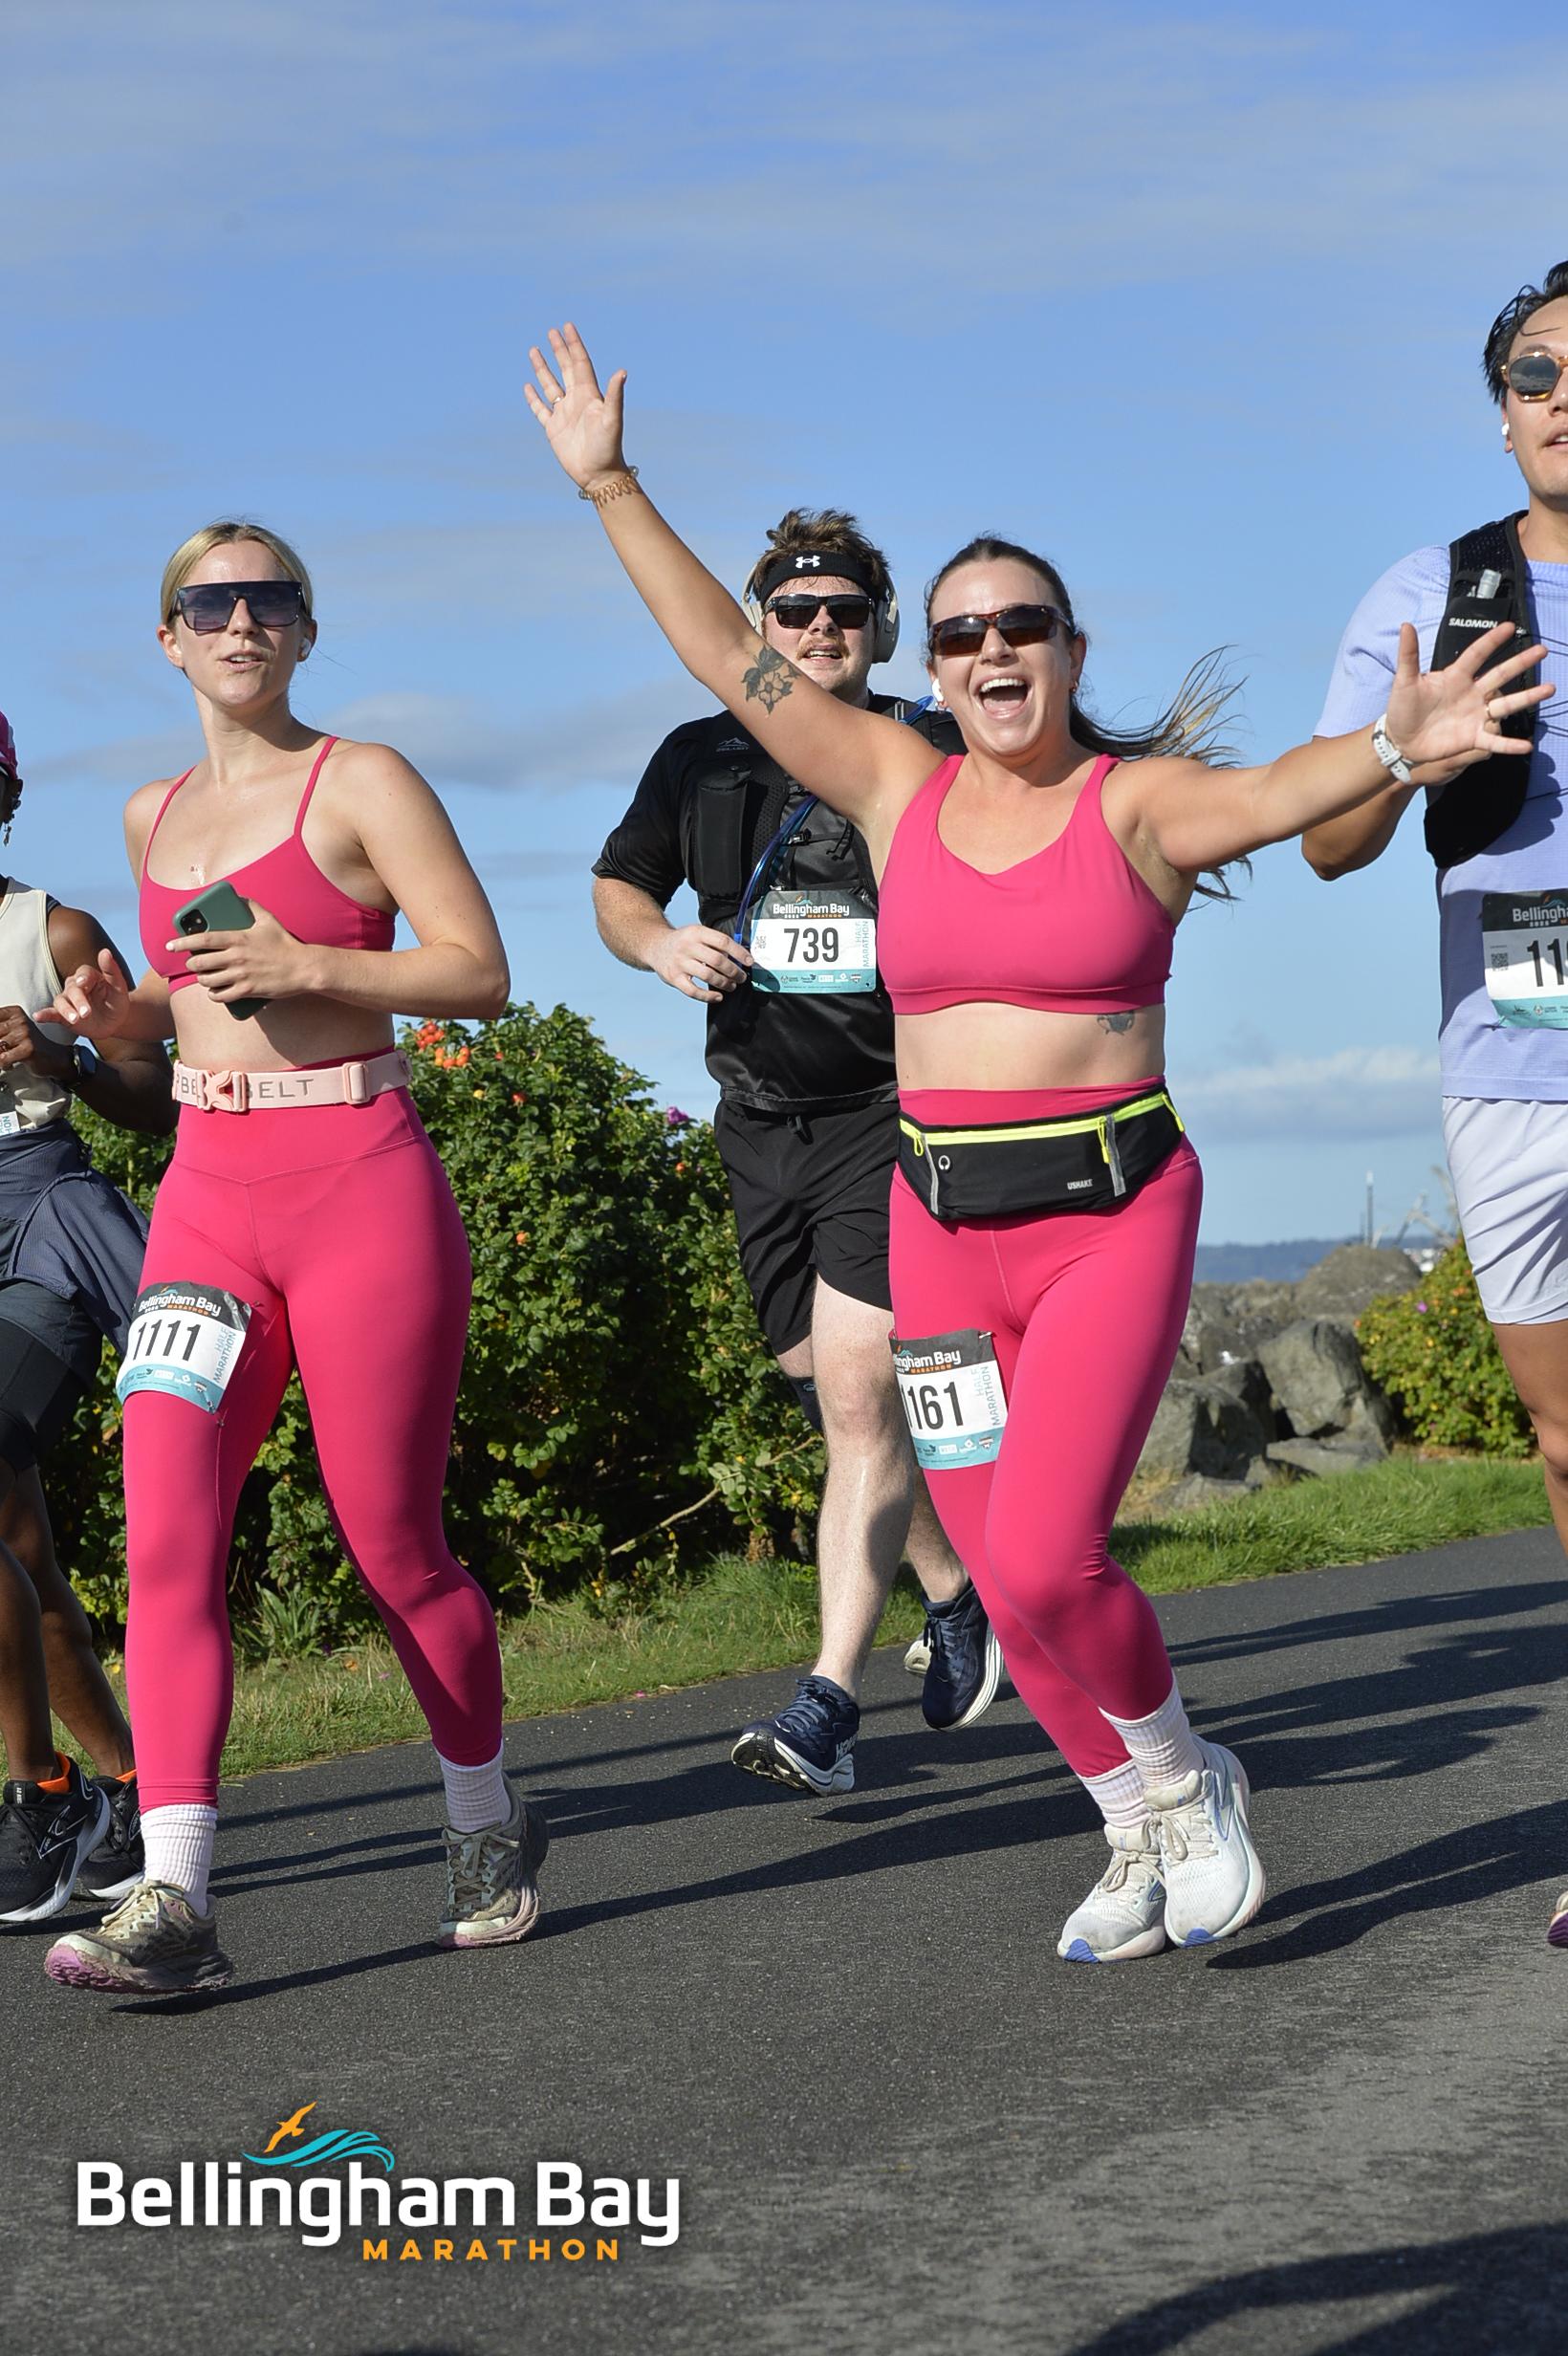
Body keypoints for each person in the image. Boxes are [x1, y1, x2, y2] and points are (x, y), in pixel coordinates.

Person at [527, 321, 1547, 1954]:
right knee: (1000, 1577)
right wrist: (612, 487)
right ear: (931, 669)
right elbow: (730, 655)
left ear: (1070, 649)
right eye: (961, 633)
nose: (992, 650)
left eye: (1022, 626)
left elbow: (1282, 794)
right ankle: (1129, 1829)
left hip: (1107, 1214)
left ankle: (1183, 1781)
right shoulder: (890, 785)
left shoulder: (1137, 803)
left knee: (1059, 1554)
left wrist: (1385, 747)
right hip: (940, 1230)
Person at [38, 521, 547, 1996]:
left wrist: (311, 960)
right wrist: (118, 1016)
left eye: (270, 600)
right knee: (165, 1528)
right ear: (170, 638)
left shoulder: (364, 779)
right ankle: (177, 1896)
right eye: (211, 603)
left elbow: (480, 972)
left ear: (307, 630)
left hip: (360, 1180)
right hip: (207, 1194)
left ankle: (485, 1819)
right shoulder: (150, 815)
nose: (241, 621)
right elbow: (191, 1004)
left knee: (392, 1544)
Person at [592, 506, 1000, 1796]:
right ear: (757, 624)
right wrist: (658, 943)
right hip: (760, 1116)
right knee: (824, 1385)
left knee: (859, 1396)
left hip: (894, 1108)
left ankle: (826, 1705)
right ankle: (954, 1588)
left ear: (881, 629)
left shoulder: (928, 749)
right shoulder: (698, 753)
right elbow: (617, 887)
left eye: (845, 611)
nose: (820, 629)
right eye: (794, 610)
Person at [1301, 261, 1568, 1949]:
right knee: (1564, 1436)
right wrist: (1408, 752)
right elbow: (1328, 845)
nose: (1566, 393)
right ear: (1501, 407)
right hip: (1514, 1060)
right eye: (1538, 370)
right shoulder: (1434, 591)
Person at [0, 707, 174, 1925]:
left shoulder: (52, 931)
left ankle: (41, 1795)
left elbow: (157, 1099)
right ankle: (126, 1784)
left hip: (41, 1230)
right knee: (17, 1541)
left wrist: (60, 1060)